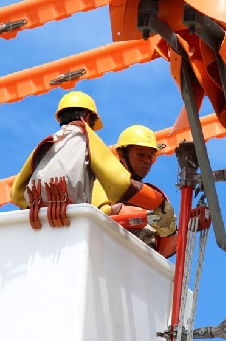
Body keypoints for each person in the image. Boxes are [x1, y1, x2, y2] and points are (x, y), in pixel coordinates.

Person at [10, 91, 172, 224]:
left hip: (41, 222)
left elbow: (16, 193)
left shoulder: (47, 144)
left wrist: (42, 208)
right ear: (87, 118)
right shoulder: (87, 140)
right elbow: (119, 183)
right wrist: (158, 203)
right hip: (77, 223)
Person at [92, 125, 177, 258]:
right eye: (141, 154)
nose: (146, 161)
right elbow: (101, 214)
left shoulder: (155, 196)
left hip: (140, 267)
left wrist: (170, 232)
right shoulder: (104, 183)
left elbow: (163, 253)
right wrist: (145, 217)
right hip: (106, 258)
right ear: (122, 154)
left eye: (150, 157)